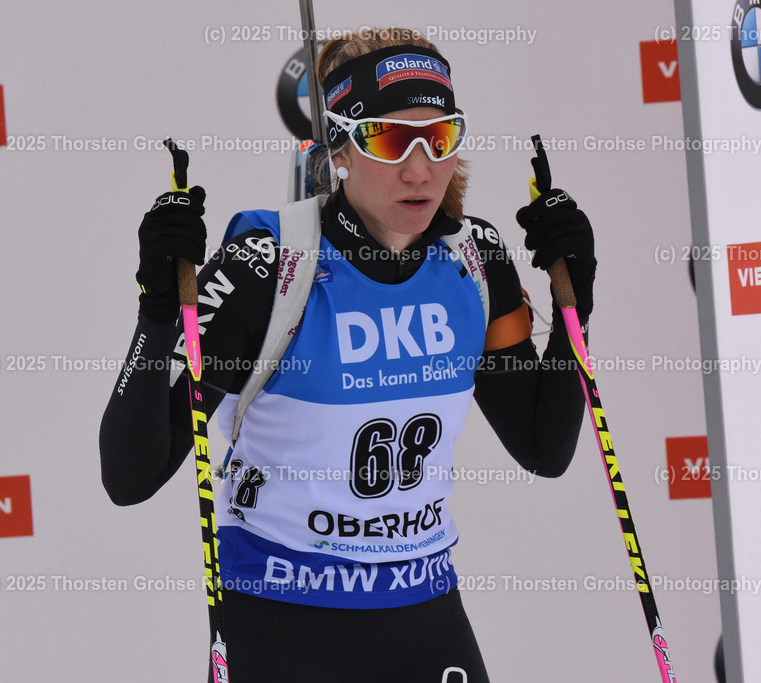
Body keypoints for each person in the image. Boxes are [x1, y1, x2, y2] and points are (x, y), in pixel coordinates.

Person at [100, 27, 596, 681]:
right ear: (340, 146)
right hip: (284, 622)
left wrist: (574, 309)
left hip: (426, 614)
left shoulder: (475, 260)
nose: (420, 169)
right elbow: (130, 475)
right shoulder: (269, 266)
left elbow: (544, 446)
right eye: (391, 139)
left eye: (439, 138)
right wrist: (159, 311)